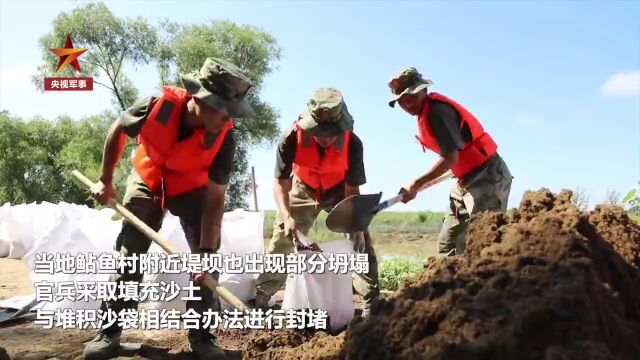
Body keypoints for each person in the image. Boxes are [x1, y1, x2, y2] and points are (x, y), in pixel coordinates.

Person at [83, 57, 255, 360]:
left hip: (192, 188)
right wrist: (105, 181)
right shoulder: (155, 104)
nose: (229, 119)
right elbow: (117, 130)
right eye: (224, 110)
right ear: (201, 98)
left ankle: (202, 338)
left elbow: (216, 198)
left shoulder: (225, 137)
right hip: (149, 177)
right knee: (130, 257)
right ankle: (109, 333)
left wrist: (204, 252)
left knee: (208, 262)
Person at [252, 88, 380, 317]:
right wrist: (287, 216)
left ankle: (370, 298)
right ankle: (263, 295)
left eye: (332, 132)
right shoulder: (291, 137)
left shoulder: (354, 144)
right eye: (320, 131)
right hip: (303, 187)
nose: (326, 137)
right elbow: (281, 182)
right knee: (283, 236)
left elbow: (353, 190)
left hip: (339, 189)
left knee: (360, 241)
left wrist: (356, 224)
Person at [388, 67, 513, 257]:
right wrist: (417, 185)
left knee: (483, 243)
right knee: (449, 245)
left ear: (423, 90)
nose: (406, 104)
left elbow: (450, 158)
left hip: (487, 176)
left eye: (410, 97)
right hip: (463, 181)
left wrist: (417, 183)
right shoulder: (424, 114)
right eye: (401, 101)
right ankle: (449, 285)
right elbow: (451, 157)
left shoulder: (437, 111)